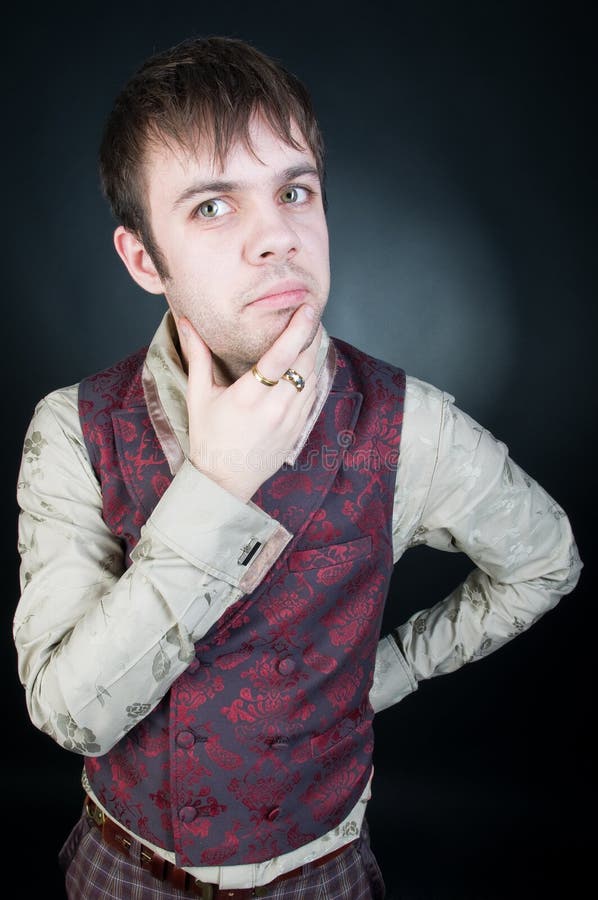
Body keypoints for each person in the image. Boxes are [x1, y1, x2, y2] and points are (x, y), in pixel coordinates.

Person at [14, 35, 582, 900]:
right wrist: (214, 490)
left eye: (294, 190)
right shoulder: (71, 431)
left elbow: (546, 561)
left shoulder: (412, 428)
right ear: (141, 259)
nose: (276, 236)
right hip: (118, 868)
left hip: (320, 877)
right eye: (212, 206)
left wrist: (388, 671)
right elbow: (69, 711)